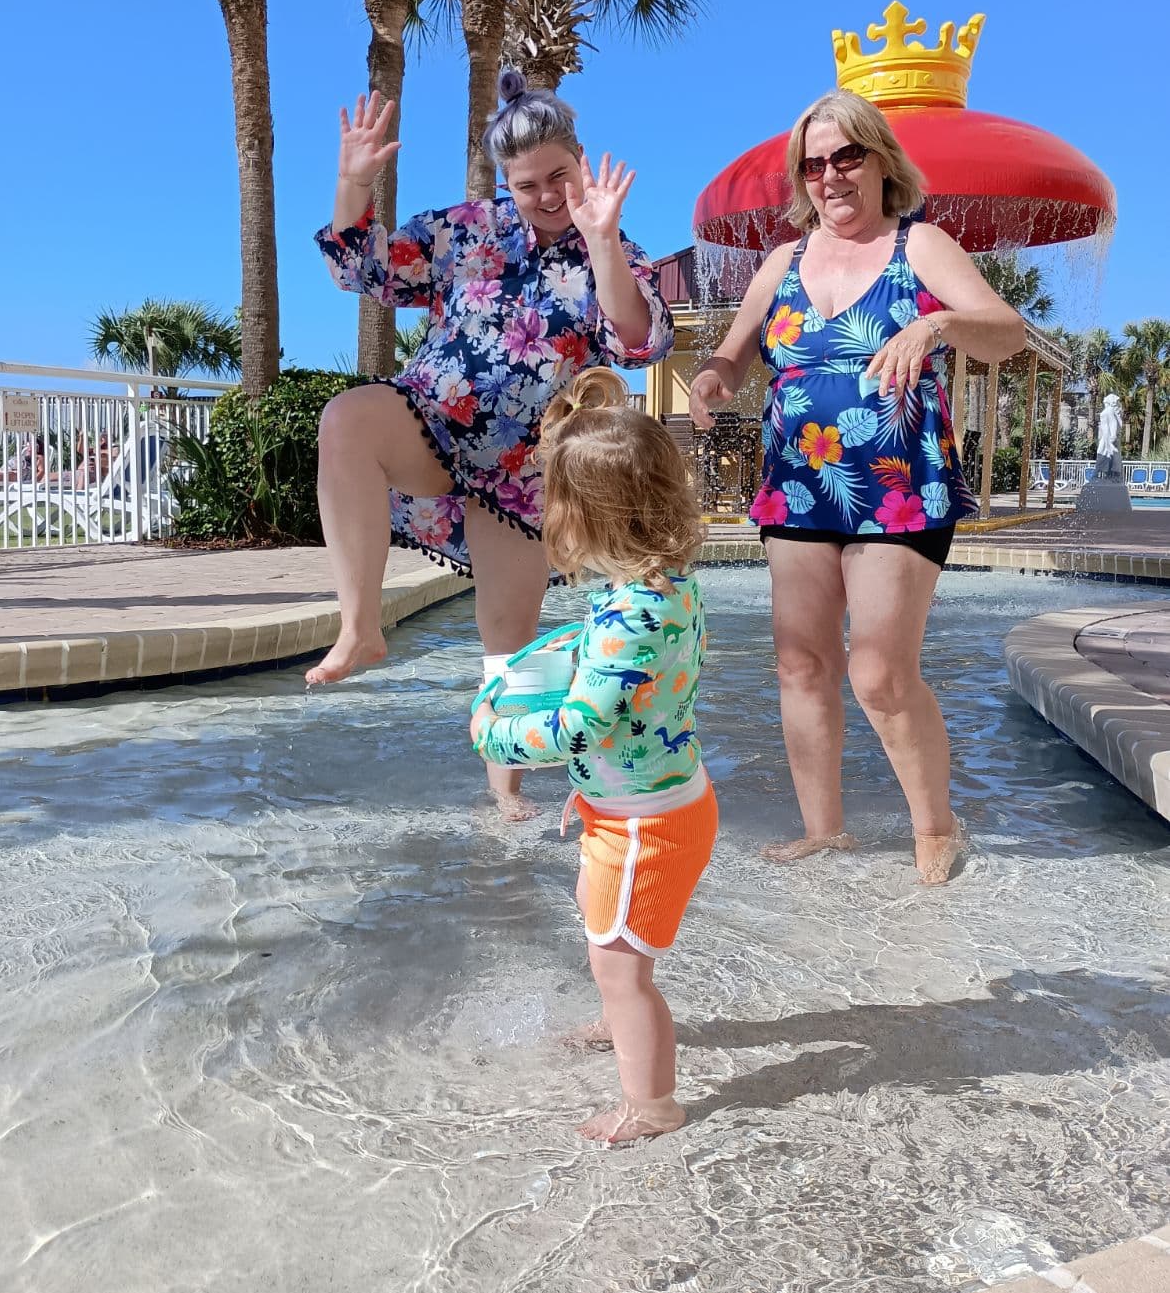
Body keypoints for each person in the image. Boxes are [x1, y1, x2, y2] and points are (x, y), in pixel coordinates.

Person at [311, 75, 673, 819]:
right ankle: (360, 627)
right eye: (525, 183)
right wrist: (353, 183)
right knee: (345, 419)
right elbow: (361, 267)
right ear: (504, 182)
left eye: (558, 177)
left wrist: (601, 241)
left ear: (580, 160)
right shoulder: (467, 228)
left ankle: (504, 790)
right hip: (430, 420)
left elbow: (638, 339)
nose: (544, 195)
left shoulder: (613, 248)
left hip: (521, 474)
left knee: (506, 641)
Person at [689, 89, 1026, 885]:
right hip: (800, 479)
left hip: (899, 481)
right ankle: (824, 830)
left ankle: (936, 826)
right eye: (814, 164)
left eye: (847, 157)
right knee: (801, 664)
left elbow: (1006, 330)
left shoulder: (922, 245)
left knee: (878, 670)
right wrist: (709, 382)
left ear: (881, 161)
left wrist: (936, 324)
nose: (830, 176)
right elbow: (734, 356)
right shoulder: (783, 262)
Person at [471, 368, 717, 1144]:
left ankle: (653, 1104)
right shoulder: (659, 584)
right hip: (653, 798)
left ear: (586, 516)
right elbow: (614, 664)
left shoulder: (630, 612)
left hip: (646, 824)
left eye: (553, 504)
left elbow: (580, 727)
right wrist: (559, 645)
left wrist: (494, 735)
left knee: (620, 965)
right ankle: (621, 1022)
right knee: (605, 932)